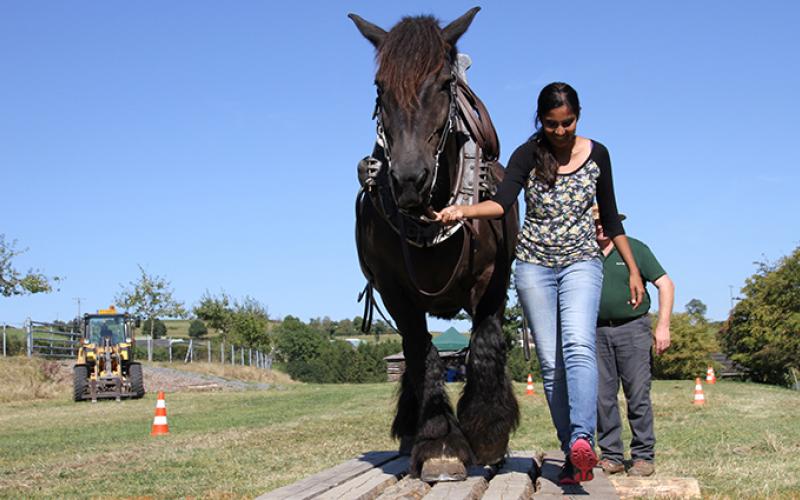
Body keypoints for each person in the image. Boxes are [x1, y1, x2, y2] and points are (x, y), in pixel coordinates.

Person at [436, 82, 644, 484]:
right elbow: (501, 203)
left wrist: (633, 268)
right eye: (552, 124)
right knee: (551, 364)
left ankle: (584, 437)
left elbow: (612, 216)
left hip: (581, 262)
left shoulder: (598, 154)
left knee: (578, 346)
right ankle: (573, 453)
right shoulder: (528, 155)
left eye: (567, 123)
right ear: (541, 121)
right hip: (534, 267)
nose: (561, 131)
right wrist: (462, 210)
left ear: (578, 117)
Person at [593, 205, 674, 477]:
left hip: (633, 329)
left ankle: (642, 456)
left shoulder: (635, 249)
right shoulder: (584, 253)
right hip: (596, 332)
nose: (601, 227)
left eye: (607, 222)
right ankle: (611, 456)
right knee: (602, 398)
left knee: (637, 394)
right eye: (595, 223)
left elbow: (666, 284)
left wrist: (663, 326)